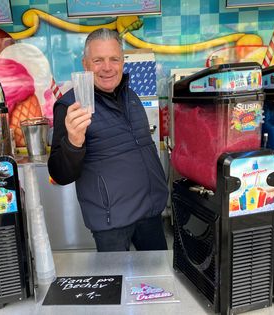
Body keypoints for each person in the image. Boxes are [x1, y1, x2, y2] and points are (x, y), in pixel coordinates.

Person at [48, 28, 169, 252]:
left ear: (123, 62)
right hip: (112, 223)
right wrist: (73, 143)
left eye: (114, 59)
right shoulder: (71, 106)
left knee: (157, 281)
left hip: (150, 212)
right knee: (116, 284)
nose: (107, 67)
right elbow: (60, 174)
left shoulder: (130, 96)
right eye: (98, 60)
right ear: (85, 64)